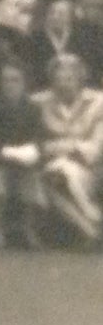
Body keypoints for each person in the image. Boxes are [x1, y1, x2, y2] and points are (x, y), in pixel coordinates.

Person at [0, 59, 47, 250]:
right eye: (6, 80)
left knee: (32, 179)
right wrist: (6, 153)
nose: (10, 84)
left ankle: (29, 230)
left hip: (25, 161)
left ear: (24, 83)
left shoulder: (33, 109)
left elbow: (39, 139)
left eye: (15, 80)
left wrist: (28, 153)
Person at [34, 53, 103, 245]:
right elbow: (37, 142)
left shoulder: (99, 103)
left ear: (81, 79)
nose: (64, 84)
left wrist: (61, 147)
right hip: (54, 169)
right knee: (54, 177)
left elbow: (96, 147)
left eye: (70, 79)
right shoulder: (40, 103)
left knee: (63, 172)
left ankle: (92, 224)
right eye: (58, 79)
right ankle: (90, 229)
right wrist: (62, 149)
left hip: (93, 168)